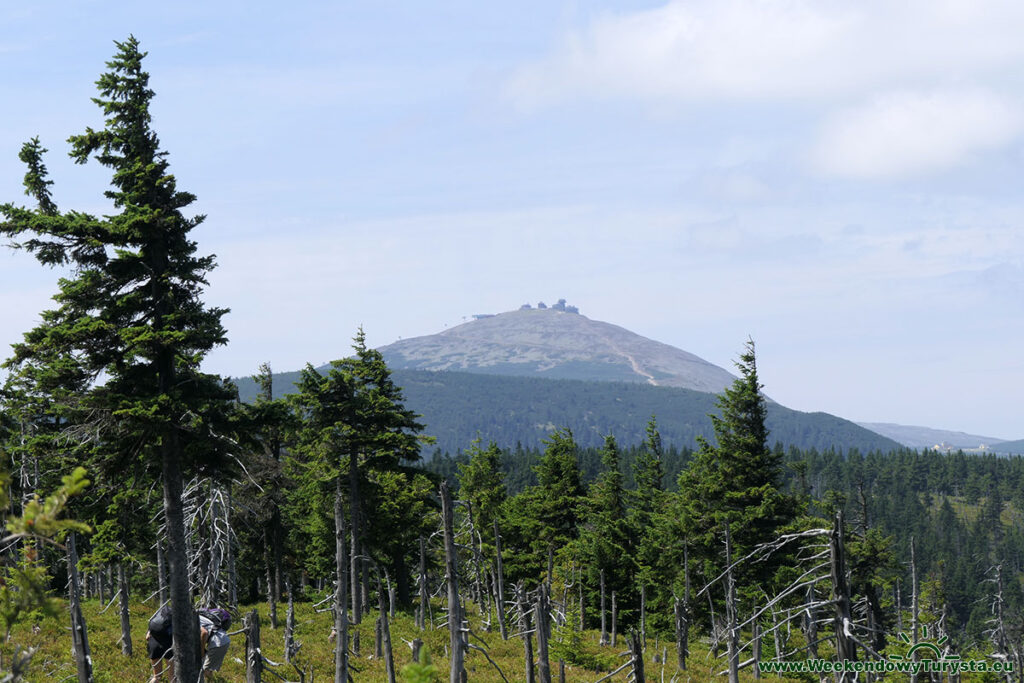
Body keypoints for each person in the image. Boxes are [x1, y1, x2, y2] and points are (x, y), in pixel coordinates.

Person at [199, 608, 231, 676]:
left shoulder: (193, 619)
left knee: (205, 671)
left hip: (218, 643)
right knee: (208, 669)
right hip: (223, 640)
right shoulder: (200, 616)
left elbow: (204, 633)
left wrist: (201, 650)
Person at [146, 605, 174, 682]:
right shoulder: (178, 617)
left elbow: (147, 637)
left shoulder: (161, 613)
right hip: (169, 645)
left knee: (156, 677)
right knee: (172, 676)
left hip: (153, 644)